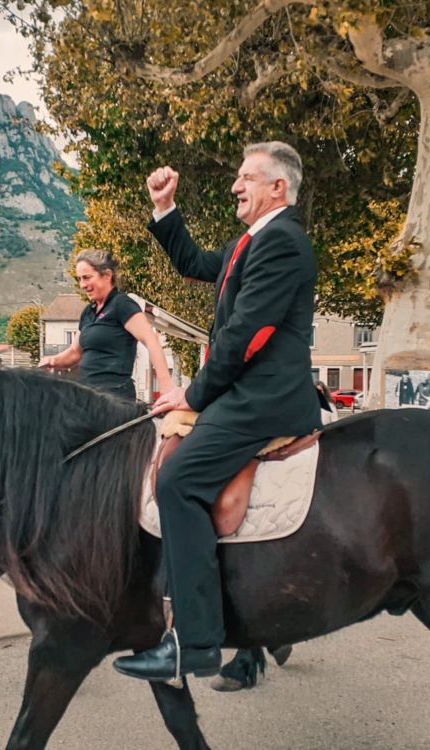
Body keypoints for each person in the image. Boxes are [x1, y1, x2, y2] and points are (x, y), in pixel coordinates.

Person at [113, 142, 321, 683]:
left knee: (177, 482)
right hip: (245, 393)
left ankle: (196, 642)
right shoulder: (250, 242)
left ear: (278, 186)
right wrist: (164, 207)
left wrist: (194, 394)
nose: (235, 186)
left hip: (263, 400)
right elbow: (193, 264)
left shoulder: (283, 242)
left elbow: (247, 334)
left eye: (247, 177)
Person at [39, 249, 174, 401]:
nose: (82, 285)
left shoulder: (122, 304)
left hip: (114, 398)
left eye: (87, 277)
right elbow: (74, 352)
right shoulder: (88, 312)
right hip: (87, 396)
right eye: (79, 279)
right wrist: (52, 361)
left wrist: (166, 386)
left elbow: (151, 340)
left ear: (107, 275)